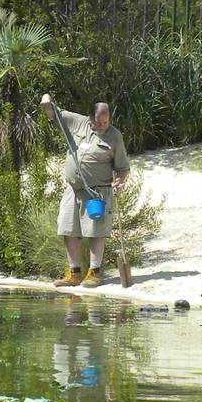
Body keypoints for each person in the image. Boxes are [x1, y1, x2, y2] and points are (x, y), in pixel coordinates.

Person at [40, 93, 129, 288]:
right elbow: (53, 112)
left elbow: (123, 168)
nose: (103, 126)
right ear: (90, 118)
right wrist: (46, 100)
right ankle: (74, 273)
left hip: (98, 192)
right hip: (73, 190)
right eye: (99, 122)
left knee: (96, 232)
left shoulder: (115, 136)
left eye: (106, 122)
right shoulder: (78, 122)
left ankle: (94, 273)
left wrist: (119, 182)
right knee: (68, 228)